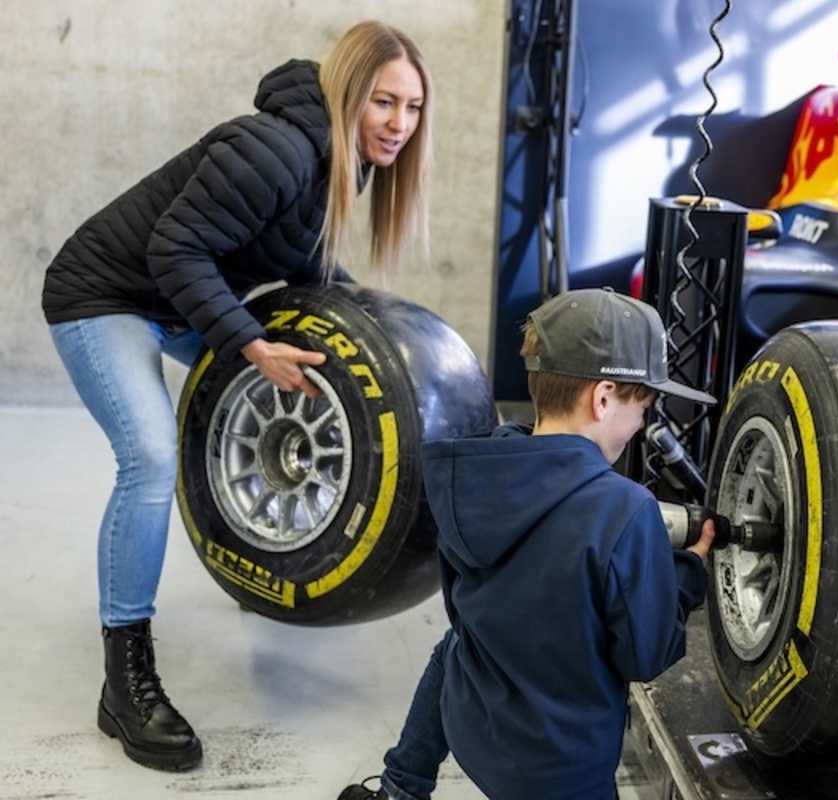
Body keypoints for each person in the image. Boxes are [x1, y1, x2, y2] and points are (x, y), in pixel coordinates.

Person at [41, 21, 432, 771]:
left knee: (313, 375)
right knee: (151, 460)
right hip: (106, 296)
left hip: (180, 298)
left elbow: (305, 265)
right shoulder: (276, 150)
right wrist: (249, 345)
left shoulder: (346, 164)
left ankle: (263, 560)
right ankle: (125, 680)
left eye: (413, 110)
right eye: (385, 102)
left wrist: (383, 342)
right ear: (349, 91)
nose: (399, 125)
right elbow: (174, 248)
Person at [341, 288, 718, 800]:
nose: (639, 424)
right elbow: (645, 655)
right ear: (603, 397)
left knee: (455, 645)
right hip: (562, 773)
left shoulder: (472, 474)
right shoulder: (625, 511)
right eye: (642, 407)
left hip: (474, 730)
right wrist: (686, 574)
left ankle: (400, 788)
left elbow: (459, 608)